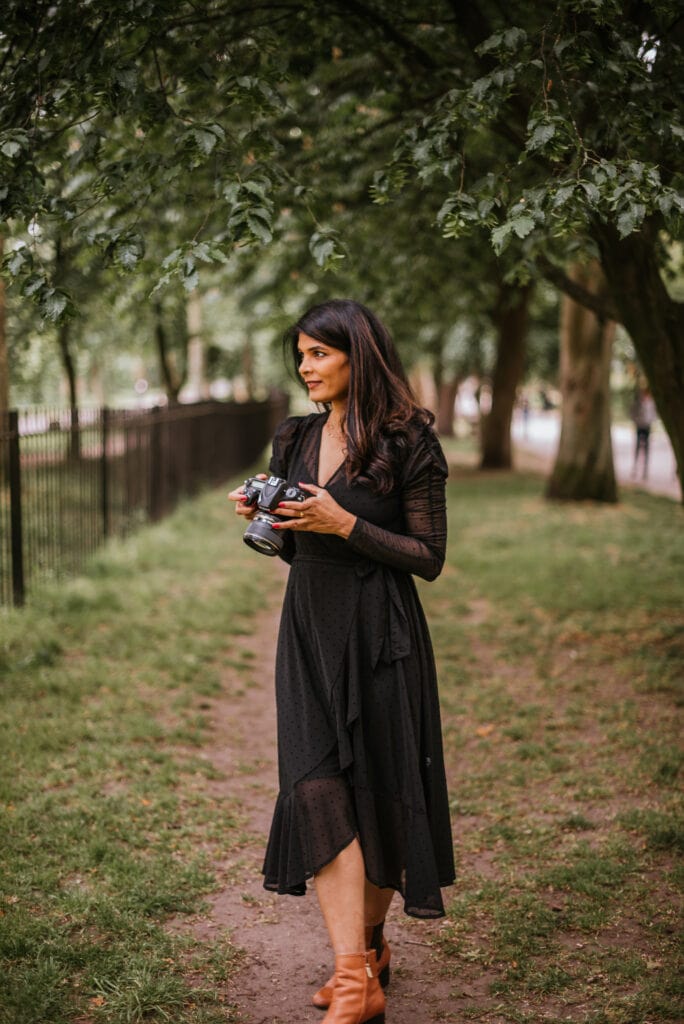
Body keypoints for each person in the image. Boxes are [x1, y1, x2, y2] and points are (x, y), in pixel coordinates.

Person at [229, 299, 455, 1024]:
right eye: (300, 355)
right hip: (309, 631)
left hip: (382, 633)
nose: (305, 367)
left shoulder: (408, 439)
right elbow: (298, 548)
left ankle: (369, 949)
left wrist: (346, 521)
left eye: (319, 354)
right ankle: (355, 979)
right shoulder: (293, 438)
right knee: (316, 785)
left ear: (358, 355)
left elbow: (429, 558)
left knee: (382, 793)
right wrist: (274, 519)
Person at [630, 385, 657, 480]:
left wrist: (650, 421)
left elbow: (654, 414)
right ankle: (635, 468)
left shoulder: (651, 403)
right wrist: (636, 421)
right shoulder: (638, 403)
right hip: (639, 426)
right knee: (637, 447)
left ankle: (645, 471)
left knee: (646, 448)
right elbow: (632, 412)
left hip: (647, 427)